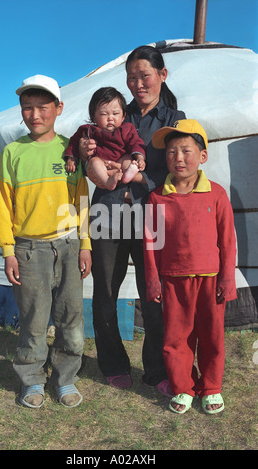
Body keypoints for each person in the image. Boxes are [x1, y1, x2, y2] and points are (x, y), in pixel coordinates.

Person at [80, 45, 186, 392]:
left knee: (154, 294)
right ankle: (112, 362)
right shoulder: (111, 114)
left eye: (145, 75)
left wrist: (141, 178)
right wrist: (88, 159)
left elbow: (178, 170)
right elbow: (86, 157)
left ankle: (156, 368)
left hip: (151, 215)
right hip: (107, 213)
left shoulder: (174, 119)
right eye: (131, 77)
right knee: (105, 293)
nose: (138, 83)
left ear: (162, 75)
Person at [0, 74, 92, 409]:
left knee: (71, 319)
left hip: (67, 247)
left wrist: (85, 245)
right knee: (34, 321)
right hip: (27, 248)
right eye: (27, 108)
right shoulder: (12, 152)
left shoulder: (72, 151)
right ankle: (32, 380)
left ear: (59, 108)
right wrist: (8, 250)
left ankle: (65, 379)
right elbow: (3, 205)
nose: (34, 115)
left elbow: (82, 201)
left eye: (42, 107)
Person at [144, 119, 237, 414]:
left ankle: (210, 387)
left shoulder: (217, 194)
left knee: (212, 335)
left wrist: (227, 279)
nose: (178, 158)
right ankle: (183, 386)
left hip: (211, 280)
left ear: (203, 156)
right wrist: (153, 281)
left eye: (186, 150)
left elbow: (228, 241)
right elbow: (150, 243)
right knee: (176, 337)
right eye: (171, 152)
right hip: (173, 280)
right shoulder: (157, 197)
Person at [65, 87, 146, 190]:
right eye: (104, 114)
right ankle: (108, 182)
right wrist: (72, 158)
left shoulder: (127, 129)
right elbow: (74, 142)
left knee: (128, 159)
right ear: (93, 116)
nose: (110, 118)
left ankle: (127, 175)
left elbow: (136, 143)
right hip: (101, 164)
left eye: (115, 114)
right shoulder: (89, 130)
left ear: (123, 116)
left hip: (120, 161)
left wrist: (140, 158)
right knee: (94, 162)